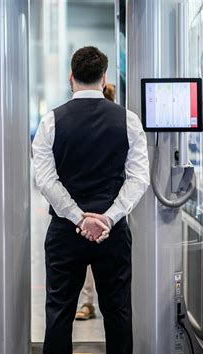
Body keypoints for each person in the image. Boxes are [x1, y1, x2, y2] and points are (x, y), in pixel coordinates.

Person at [32, 46, 149, 354]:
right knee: (117, 312)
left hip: (66, 233)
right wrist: (108, 218)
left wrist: (77, 216)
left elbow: (45, 180)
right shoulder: (128, 120)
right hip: (112, 235)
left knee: (59, 311)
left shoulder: (51, 121)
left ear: (71, 78)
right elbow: (138, 178)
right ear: (104, 78)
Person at [75, 82, 116, 321]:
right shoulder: (119, 123)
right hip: (107, 210)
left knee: (89, 261)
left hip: (91, 209)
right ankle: (89, 303)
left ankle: (88, 303)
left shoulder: (117, 125)